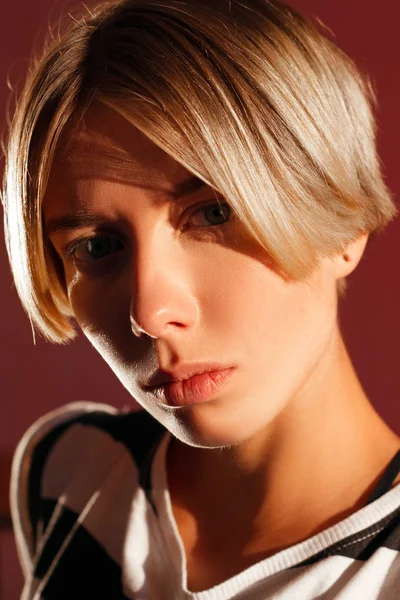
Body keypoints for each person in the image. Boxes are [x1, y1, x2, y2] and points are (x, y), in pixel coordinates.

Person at [3, 0, 400, 597]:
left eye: (215, 212)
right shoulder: (68, 468)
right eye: (95, 246)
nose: (149, 312)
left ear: (342, 221)